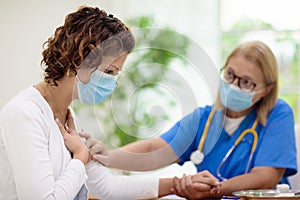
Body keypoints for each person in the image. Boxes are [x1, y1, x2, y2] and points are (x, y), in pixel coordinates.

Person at [0, 5, 220, 200]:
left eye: (115, 74)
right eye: (109, 71)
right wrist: (79, 158)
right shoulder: (24, 114)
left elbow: (108, 187)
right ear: (77, 60)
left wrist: (177, 185)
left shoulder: (68, 117)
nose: (112, 83)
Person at [83, 40, 298, 199]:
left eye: (247, 82)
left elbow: (266, 176)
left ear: (266, 90)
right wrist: (105, 157)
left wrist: (214, 190)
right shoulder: (203, 119)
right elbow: (153, 150)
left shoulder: (278, 114)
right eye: (230, 75)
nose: (234, 85)